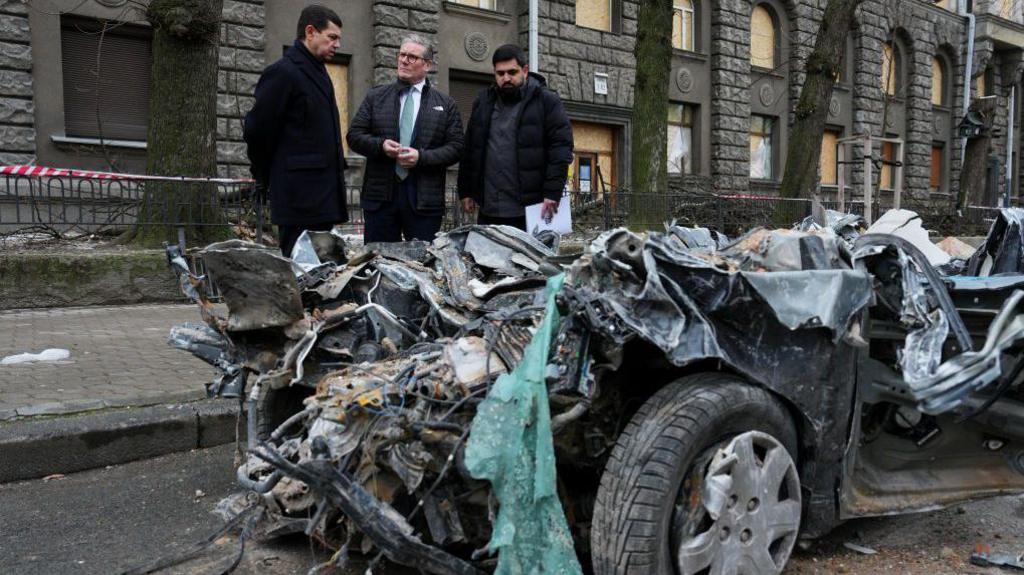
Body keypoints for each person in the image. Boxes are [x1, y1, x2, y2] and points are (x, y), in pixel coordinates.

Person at [243, 5, 347, 257]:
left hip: (322, 196)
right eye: (332, 37)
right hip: (298, 197)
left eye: (338, 39)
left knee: (321, 276)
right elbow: (258, 131)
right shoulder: (283, 73)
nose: (337, 44)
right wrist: (264, 174)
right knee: (300, 271)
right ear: (310, 32)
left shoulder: (319, 71)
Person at [346, 36, 464, 242]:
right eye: (402, 55)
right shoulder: (376, 96)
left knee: (422, 266)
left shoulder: (446, 104)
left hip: (424, 202)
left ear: (427, 65)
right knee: (377, 262)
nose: (404, 60)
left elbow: (456, 148)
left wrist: (422, 157)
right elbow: (354, 136)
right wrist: (380, 145)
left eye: (412, 57)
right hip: (380, 199)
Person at [457, 44, 573, 231]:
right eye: (500, 73)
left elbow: (561, 149)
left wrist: (553, 192)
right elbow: (470, 148)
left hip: (531, 210)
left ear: (525, 71)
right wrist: (466, 190)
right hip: (489, 209)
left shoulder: (547, 101)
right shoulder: (483, 102)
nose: (506, 78)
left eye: (512, 72)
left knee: (529, 261)